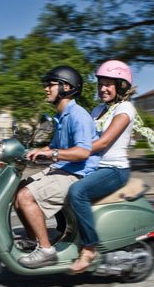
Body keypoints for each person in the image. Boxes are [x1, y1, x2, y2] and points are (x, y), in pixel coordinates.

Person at [14, 65, 100, 269]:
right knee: (18, 190)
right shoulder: (61, 116)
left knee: (26, 196)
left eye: (50, 84)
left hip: (79, 173)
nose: (46, 88)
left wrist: (51, 154)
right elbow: (55, 147)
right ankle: (35, 240)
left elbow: (82, 152)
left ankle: (46, 251)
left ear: (67, 87)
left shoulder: (78, 115)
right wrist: (32, 152)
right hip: (65, 168)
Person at [67, 60, 137, 273]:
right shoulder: (98, 109)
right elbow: (83, 136)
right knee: (56, 182)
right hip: (94, 166)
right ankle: (67, 236)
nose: (103, 88)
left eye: (108, 84)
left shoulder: (125, 109)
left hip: (114, 170)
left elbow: (104, 142)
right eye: (100, 84)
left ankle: (89, 248)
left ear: (121, 86)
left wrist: (75, 152)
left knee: (77, 192)